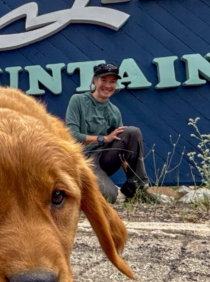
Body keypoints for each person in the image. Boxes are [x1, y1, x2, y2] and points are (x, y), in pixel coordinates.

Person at [65, 62, 157, 204]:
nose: (108, 86)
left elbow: (124, 147)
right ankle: (78, 187)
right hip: (83, 161)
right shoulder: (78, 100)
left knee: (132, 132)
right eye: (104, 80)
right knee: (110, 197)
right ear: (94, 81)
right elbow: (72, 136)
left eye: (112, 82)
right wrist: (104, 139)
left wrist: (132, 178)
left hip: (104, 158)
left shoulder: (114, 111)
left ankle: (136, 188)